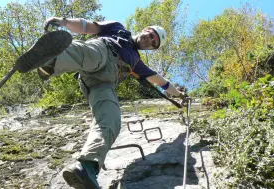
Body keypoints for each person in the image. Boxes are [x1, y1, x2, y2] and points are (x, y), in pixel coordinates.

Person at [14, 17, 186, 189]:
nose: (150, 40)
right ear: (146, 29)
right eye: (151, 35)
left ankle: (86, 167)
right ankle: (52, 59)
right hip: (104, 51)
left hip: (105, 82)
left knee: (111, 121)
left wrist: (178, 95)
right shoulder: (119, 29)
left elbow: (160, 81)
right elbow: (87, 26)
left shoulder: (137, 63)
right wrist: (64, 22)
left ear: (151, 48)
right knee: (90, 54)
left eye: (154, 43)